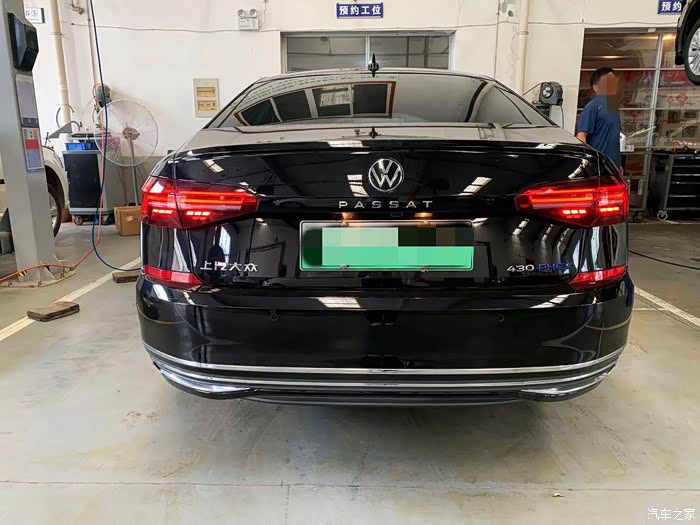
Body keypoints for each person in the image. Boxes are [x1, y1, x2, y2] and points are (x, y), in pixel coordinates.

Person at [576, 67, 622, 169]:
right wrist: (588, 163)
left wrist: (618, 164)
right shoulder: (592, 107)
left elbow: (614, 136)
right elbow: (581, 136)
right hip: (599, 166)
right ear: (596, 87)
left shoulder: (613, 105)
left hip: (613, 166)